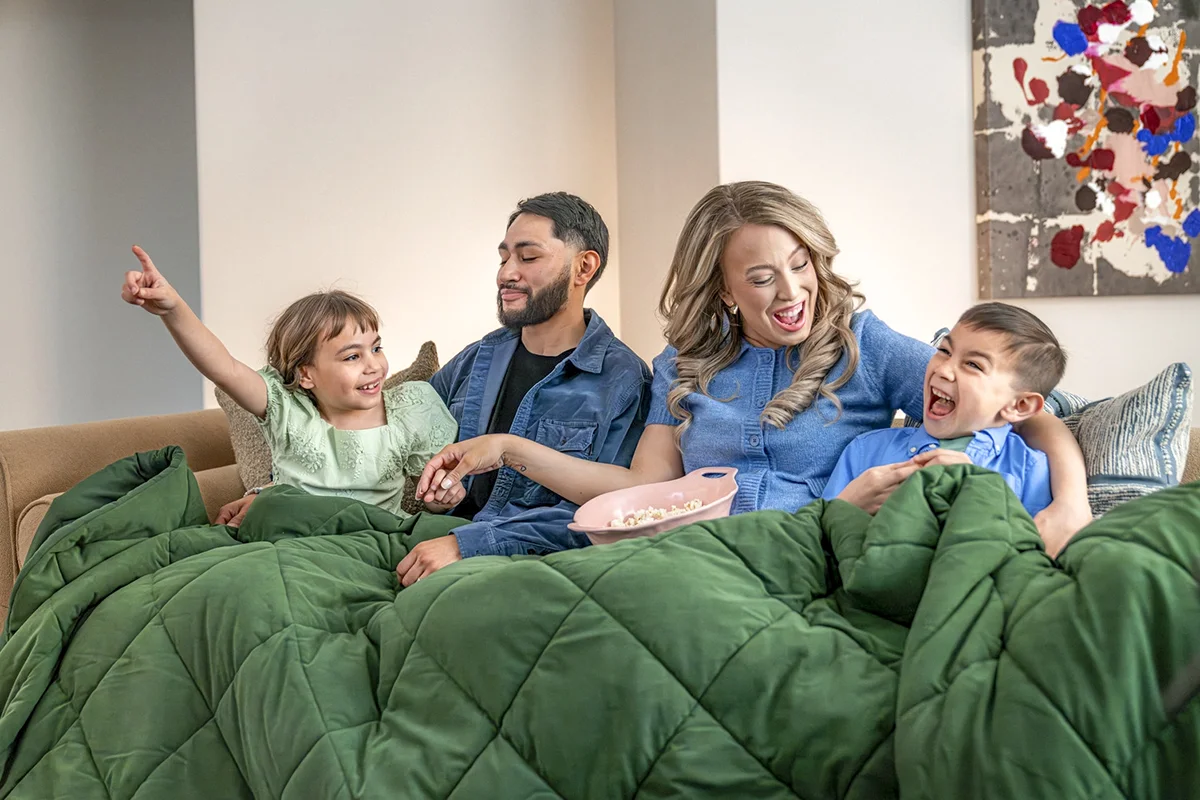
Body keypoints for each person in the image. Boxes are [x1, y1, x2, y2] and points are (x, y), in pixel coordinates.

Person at [419, 181, 1093, 556]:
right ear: (723, 291)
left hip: (806, 555)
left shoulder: (865, 344)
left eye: (801, 266)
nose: (793, 293)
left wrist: (1071, 503)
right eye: (764, 278)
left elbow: (1029, 413)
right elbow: (636, 486)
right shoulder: (682, 365)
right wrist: (509, 449)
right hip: (691, 556)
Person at [218, 192, 652, 583]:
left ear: (584, 267)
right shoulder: (479, 359)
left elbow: (611, 510)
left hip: (521, 565)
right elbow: (370, 430)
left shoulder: (619, 379)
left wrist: (468, 546)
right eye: (503, 258)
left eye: (528, 257)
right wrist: (275, 495)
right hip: (423, 545)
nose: (506, 274)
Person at [122, 247, 456, 518]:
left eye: (376, 348)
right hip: (295, 543)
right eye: (352, 357)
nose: (374, 366)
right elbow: (225, 369)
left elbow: (436, 495)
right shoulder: (289, 413)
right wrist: (173, 308)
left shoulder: (408, 410)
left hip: (376, 544)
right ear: (306, 374)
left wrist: (441, 500)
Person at [824, 302, 1066, 518]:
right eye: (944, 351)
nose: (943, 369)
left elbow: (1033, 553)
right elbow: (814, 541)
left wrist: (979, 495)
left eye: (973, 364)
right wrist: (847, 506)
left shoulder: (1029, 469)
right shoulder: (865, 451)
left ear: (1020, 406)